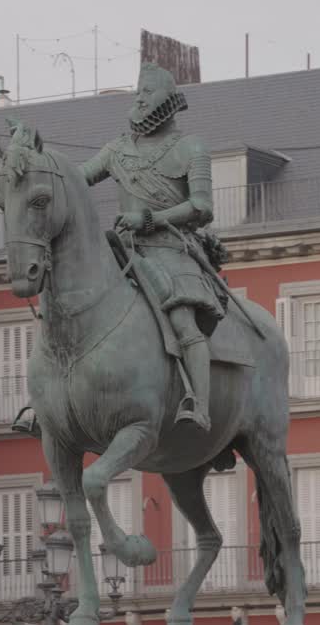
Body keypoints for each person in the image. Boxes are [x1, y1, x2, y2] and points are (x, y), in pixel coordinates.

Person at [79, 63, 223, 431]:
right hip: (122, 248)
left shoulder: (192, 147)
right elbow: (76, 179)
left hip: (171, 248)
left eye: (147, 91)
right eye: (138, 91)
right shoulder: (117, 150)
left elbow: (202, 207)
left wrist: (151, 219)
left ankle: (200, 407)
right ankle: (49, 401)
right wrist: (35, 161)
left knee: (183, 321)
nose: (140, 98)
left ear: (167, 99)